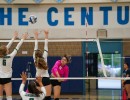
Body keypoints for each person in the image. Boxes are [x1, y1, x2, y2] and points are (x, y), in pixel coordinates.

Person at [0, 32, 28, 100]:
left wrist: (13, 38)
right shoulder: (10, 56)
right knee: (9, 97)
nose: (8, 49)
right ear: (6, 51)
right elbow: (17, 47)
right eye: (7, 49)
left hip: (0, 77)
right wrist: (23, 39)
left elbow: (6, 47)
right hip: (7, 78)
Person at [33, 30, 51, 100]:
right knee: (48, 98)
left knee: (39, 98)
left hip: (38, 79)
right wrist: (46, 34)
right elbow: (46, 46)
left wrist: (36, 37)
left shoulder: (34, 58)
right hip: (46, 79)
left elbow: (35, 47)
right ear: (41, 54)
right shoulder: (44, 57)